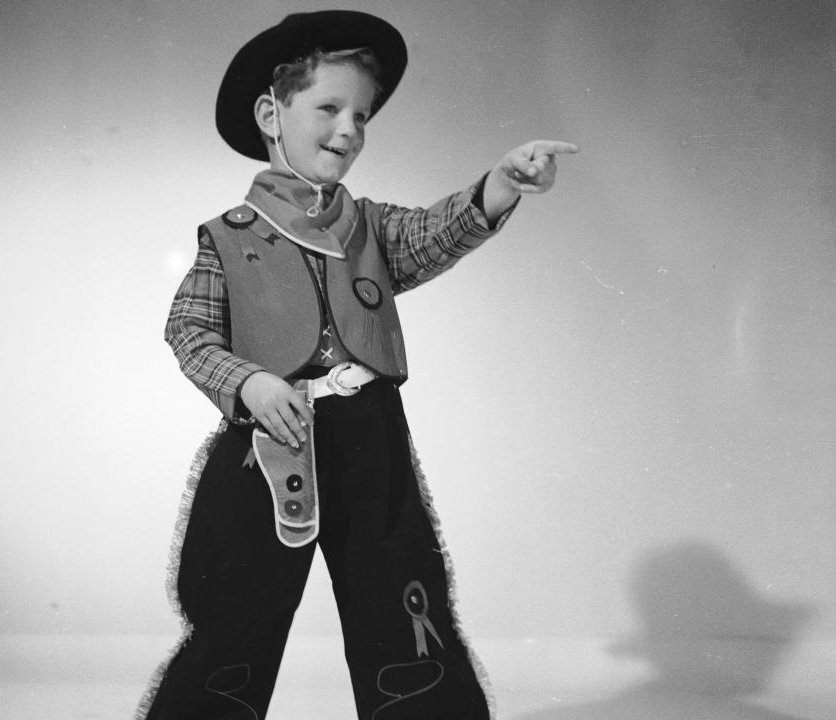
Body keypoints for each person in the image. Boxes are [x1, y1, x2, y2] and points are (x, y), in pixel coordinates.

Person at [137, 10, 577, 720]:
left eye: (362, 115)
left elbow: (437, 232)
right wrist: (247, 380)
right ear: (269, 113)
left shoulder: (370, 227)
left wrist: (499, 182)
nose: (350, 130)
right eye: (329, 108)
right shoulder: (228, 238)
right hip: (270, 441)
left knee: (401, 592)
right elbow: (188, 330)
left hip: (372, 439)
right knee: (239, 609)